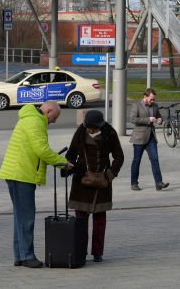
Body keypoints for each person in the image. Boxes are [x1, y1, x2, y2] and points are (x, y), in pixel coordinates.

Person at [0, 100, 69, 268]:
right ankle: (27, 256)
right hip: (21, 174)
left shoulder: (32, 118)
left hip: (18, 172)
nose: (54, 121)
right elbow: (42, 150)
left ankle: (20, 256)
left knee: (20, 217)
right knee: (26, 217)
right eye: (55, 117)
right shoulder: (35, 121)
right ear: (49, 111)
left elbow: (38, 149)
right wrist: (63, 162)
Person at [66, 109, 124, 263]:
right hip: (81, 182)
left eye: (93, 128)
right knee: (81, 219)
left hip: (102, 181)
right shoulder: (81, 131)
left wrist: (109, 175)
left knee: (99, 219)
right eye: (88, 127)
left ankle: (98, 252)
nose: (90, 130)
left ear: (100, 126)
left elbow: (119, 156)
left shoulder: (109, 133)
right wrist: (70, 167)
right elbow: (71, 153)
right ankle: (81, 251)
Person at [129, 88, 168, 191]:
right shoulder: (136, 105)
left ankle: (159, 183)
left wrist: (160, 120)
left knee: (155, 159)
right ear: (145, 97)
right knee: (137, 161)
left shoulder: (155, 106)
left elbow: (158, 115)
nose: (153, 101)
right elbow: (133, 119)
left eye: (153, 99)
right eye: (151, 99)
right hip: (139, 138)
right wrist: (148, 120)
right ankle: (134, 183)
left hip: (151, 137)